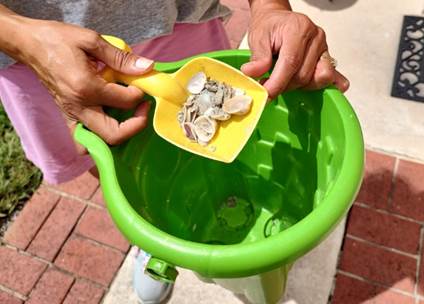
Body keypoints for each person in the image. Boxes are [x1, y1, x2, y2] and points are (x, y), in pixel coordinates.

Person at [0, 0, 349, 303]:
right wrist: (19, 35)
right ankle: (154, 241)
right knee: (110, 156)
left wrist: (269, 7)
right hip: (35, 58)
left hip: (177, 25)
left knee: (213, 140)